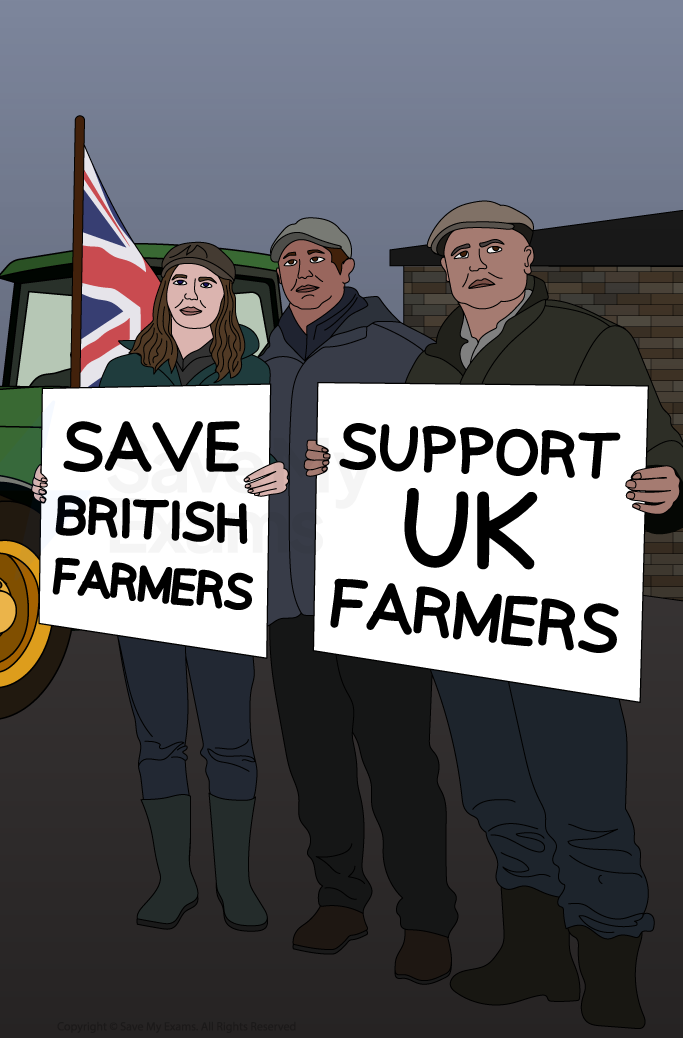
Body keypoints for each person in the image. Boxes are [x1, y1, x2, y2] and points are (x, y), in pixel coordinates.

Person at [382, 199, 683, 1029]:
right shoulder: (429, 365)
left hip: (554, 623)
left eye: (493, 246)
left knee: (583, 797)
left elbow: (659, 448)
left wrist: (670, 488)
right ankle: (533, 954)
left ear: (527, 259)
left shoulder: (589, 342)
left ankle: (609, 962)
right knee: (496, 793)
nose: (474, 262)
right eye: (458, 252)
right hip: (461, 624)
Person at [34, 241, 288, 933]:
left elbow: (287, 457)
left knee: (230, 740)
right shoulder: (120, 374)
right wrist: (56, 481)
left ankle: (234, 881)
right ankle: (173, 879)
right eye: (180, 280)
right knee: (157, 740)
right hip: (142, 594)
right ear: (162, 292)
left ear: (225, 298)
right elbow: (94, 463)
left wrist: (281, 475)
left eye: (207, 282)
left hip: (219, 589)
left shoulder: (256, 378)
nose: (192, 292)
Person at [259, 218, 459, 984]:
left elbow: (446, 465)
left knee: (401, 764)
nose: (303, 271)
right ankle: (339, 898)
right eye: (290, 261)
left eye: (317, 258)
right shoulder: (255, 365)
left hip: (378, 601)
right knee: (315, 765)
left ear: (346, 268)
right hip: (285, 602)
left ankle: (426, 918)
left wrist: (355, 463)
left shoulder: (402, 354)